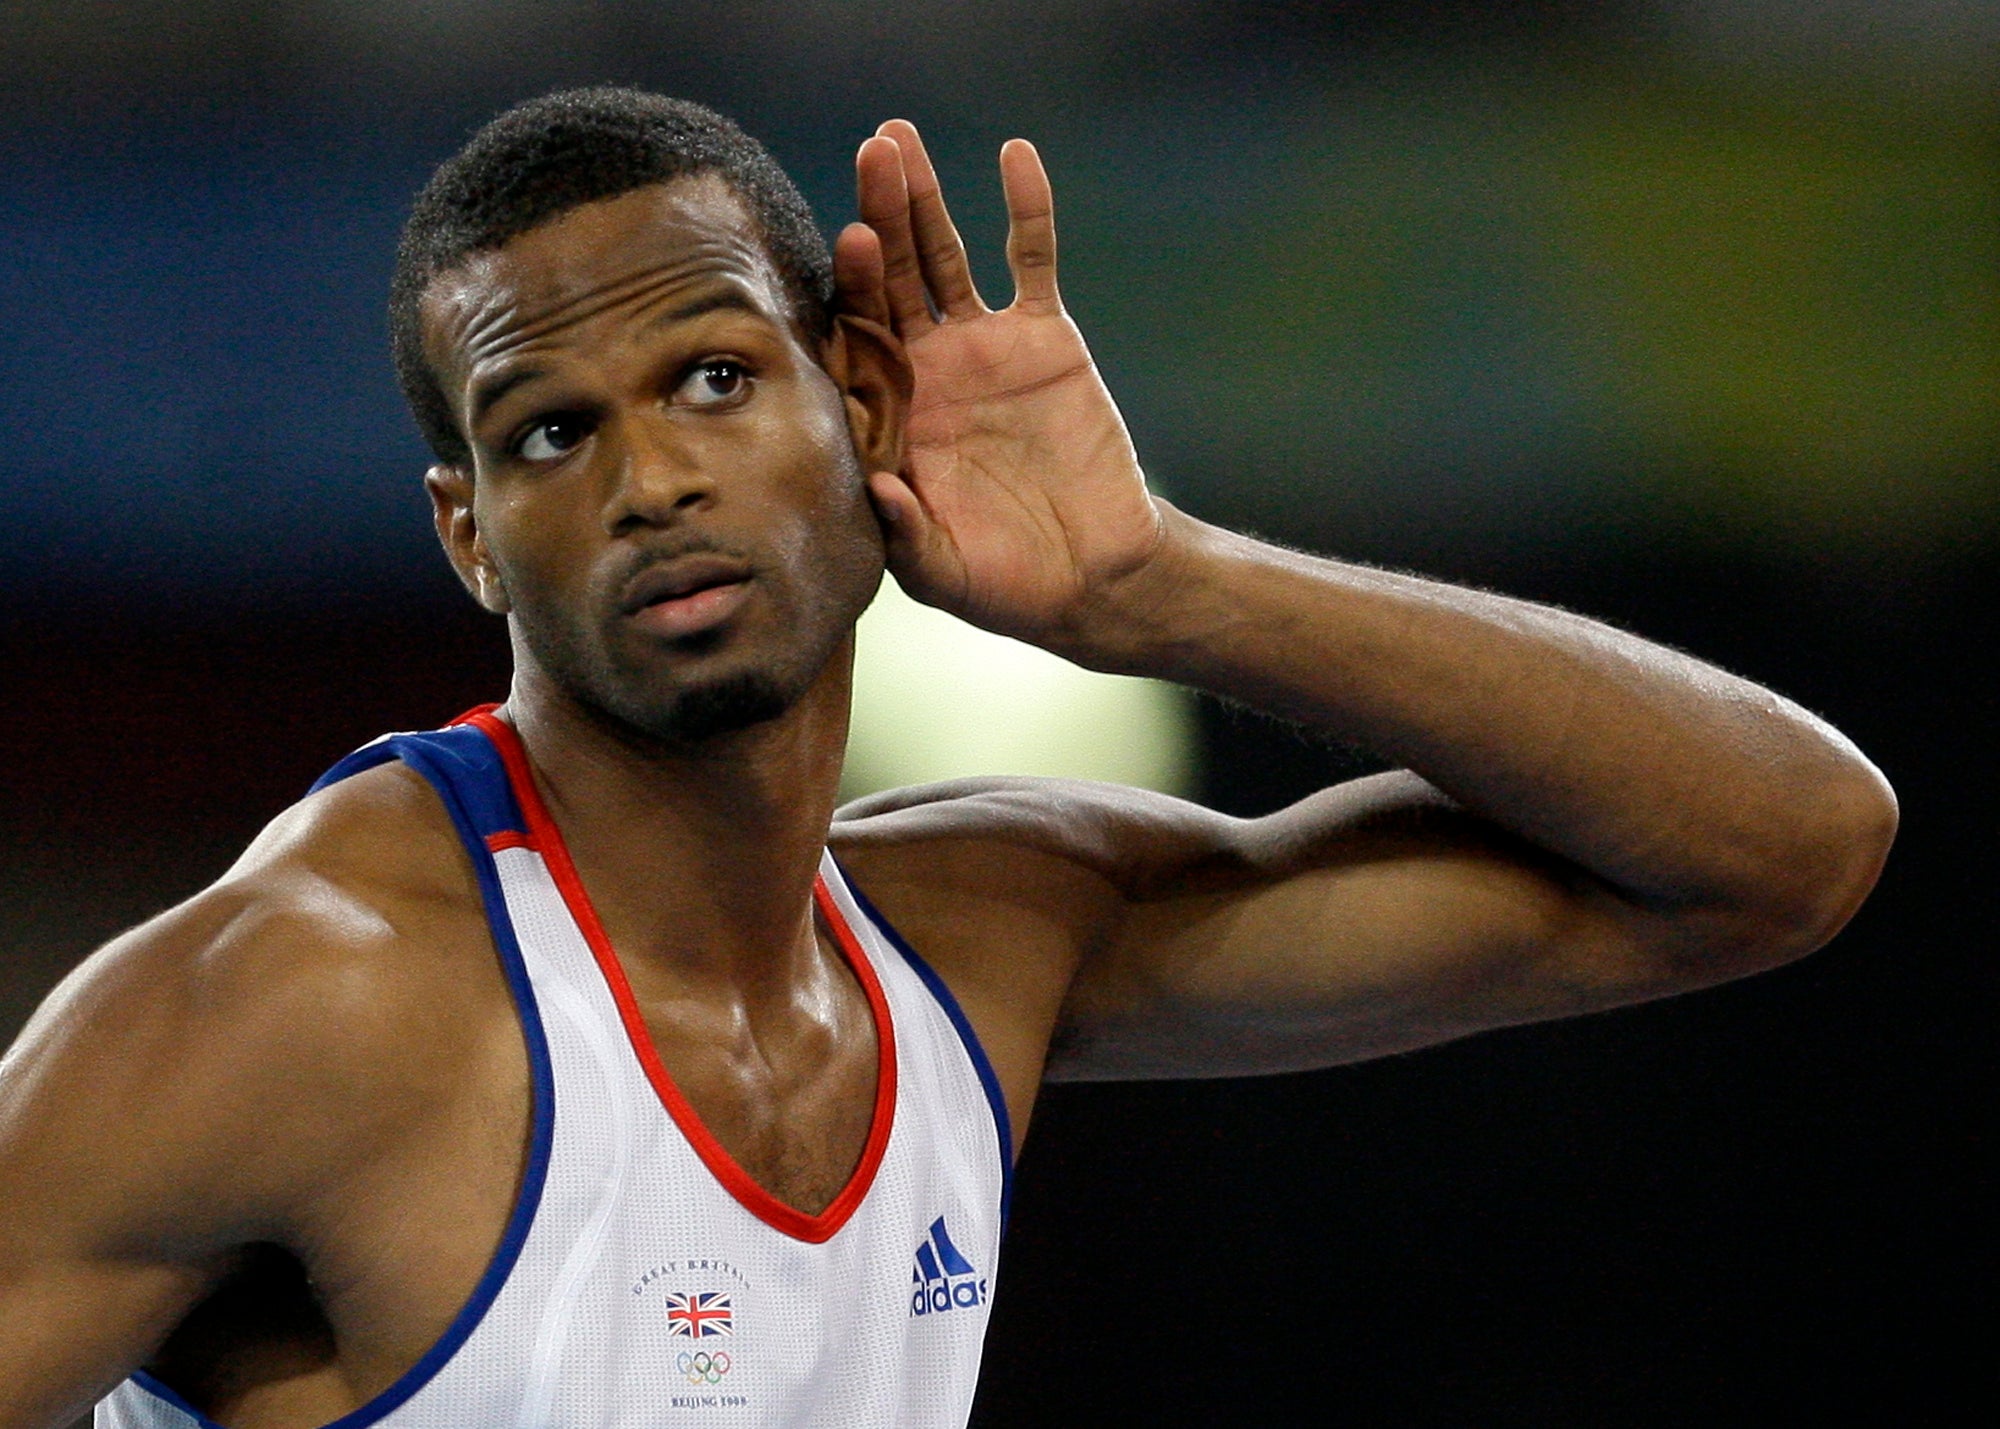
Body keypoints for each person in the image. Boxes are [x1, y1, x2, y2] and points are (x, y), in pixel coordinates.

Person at [0, 87, 1895, 1428]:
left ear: (868, 402)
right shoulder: (299, 993)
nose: (651, 478)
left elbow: (1785, 851)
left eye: (716, 381)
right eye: (549, 433)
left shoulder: (985, 932)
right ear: (470, 535)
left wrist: (1169, 587)